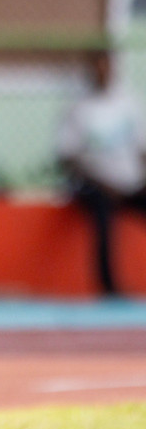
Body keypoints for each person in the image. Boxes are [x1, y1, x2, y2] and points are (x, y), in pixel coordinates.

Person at [58, 50, 146, 297]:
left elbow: (142, 149)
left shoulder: (129, 103)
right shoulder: (78, 108)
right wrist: (104, 183)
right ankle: (109, 288)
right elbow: (68, 158)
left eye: (106, 66)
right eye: (97, 66)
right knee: (103, 215)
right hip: (96, 186)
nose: (102, 72)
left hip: (130, 183)